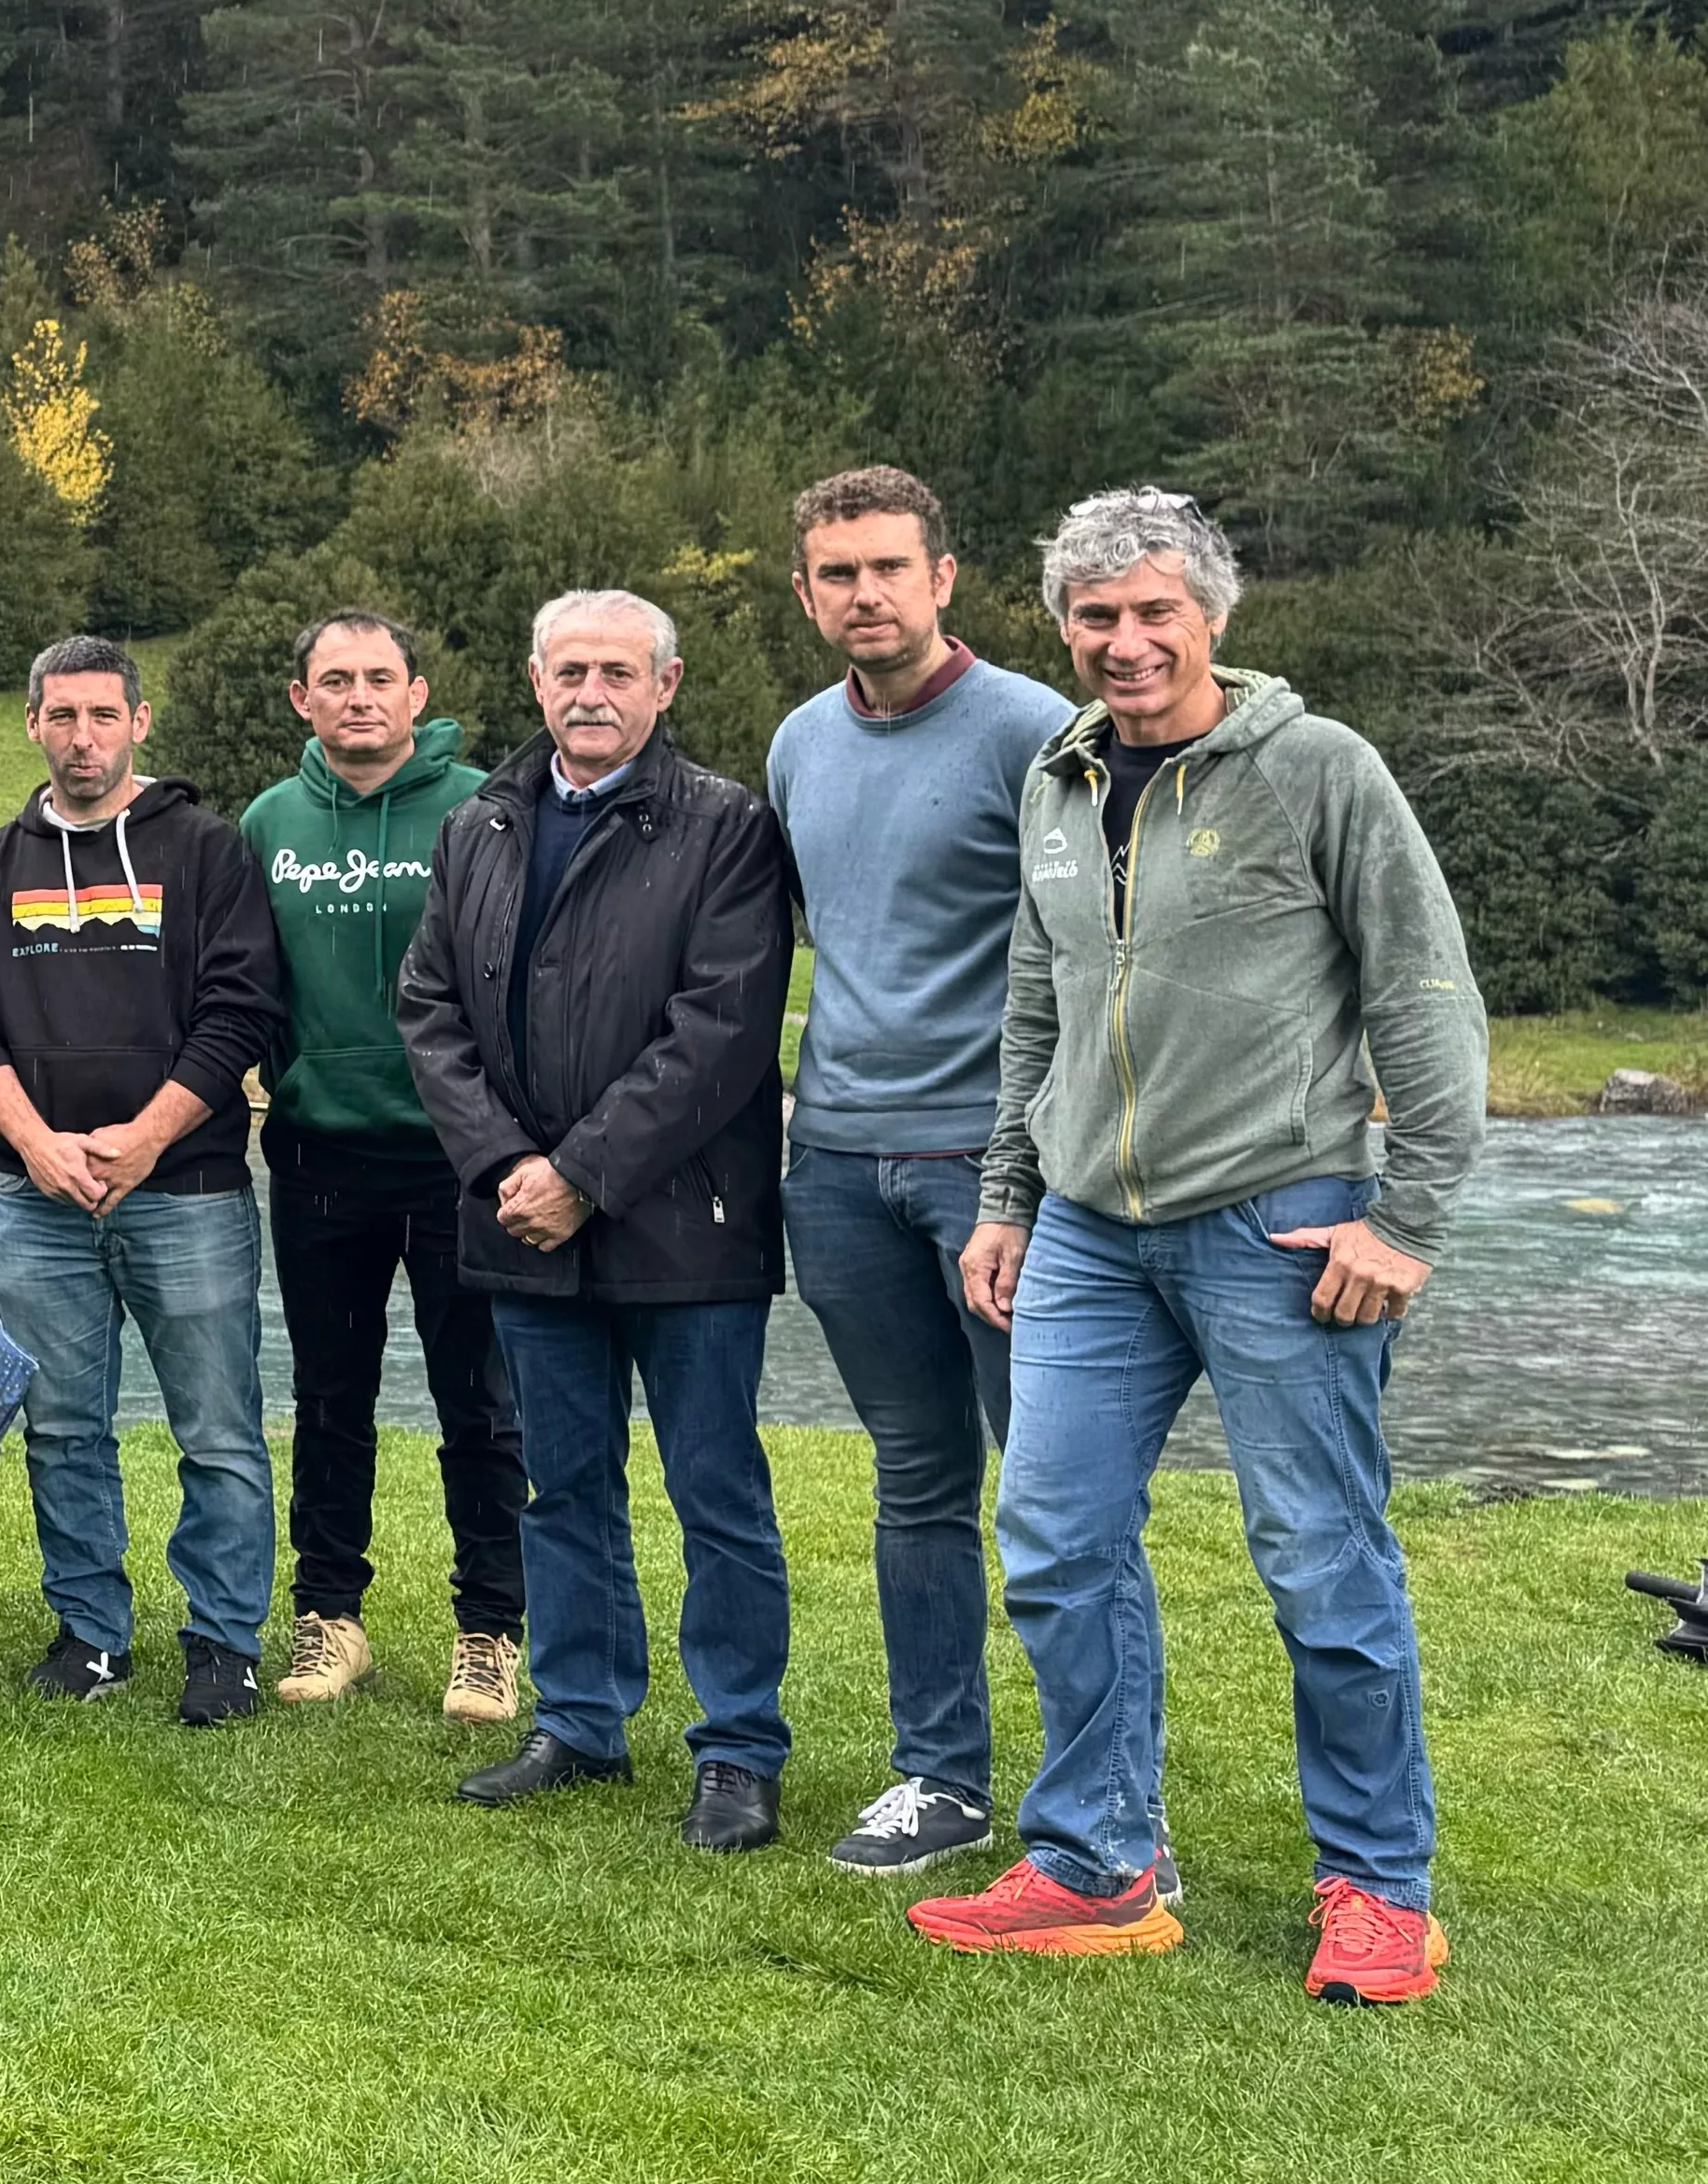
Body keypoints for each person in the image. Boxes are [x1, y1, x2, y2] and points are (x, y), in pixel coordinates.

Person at [912, 489, 1485, 2007]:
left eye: (1154, 610)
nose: (1126, 640)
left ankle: (1378, 1887)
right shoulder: (1057, 779)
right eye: (1096, 616)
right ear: (1064, 627)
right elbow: (1034, 1006)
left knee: (1318, 1555)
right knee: (1051, 1538)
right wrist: (1004, 1194)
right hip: (1091, 1231)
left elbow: (1423, 992)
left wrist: (1406, 1215)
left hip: (1282, 1219)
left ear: (1211, 616)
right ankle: (1102, 1862)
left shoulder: (1316, 769)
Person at [400, 591, 798, 1853]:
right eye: (569, 667)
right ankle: (578, 1717)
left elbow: (721, 1029)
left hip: (689, 1222)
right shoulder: (477, 824)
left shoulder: (726, 826)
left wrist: (581, 1170)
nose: (591, 690)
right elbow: (427, 1008)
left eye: (617, 670)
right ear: (533, 679)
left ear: (664, 686)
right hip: (520, 1225)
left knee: (713, 1488)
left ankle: (736, 1747)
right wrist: (506, 1164)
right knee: (561, 1483)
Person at [770, 466, 1073, 1878]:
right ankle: (940, 1776)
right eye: (837, 573)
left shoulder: (1030, 729)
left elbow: (1084, 954)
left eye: (889, 567)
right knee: (914, 1477)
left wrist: (1024, 1169)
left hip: (987, 1166)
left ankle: (1102, 1804)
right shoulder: (795, 745)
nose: (865, 594)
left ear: (944, 576)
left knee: (1055, 1489)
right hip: (833, 1157)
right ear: (804, 590)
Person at [0, 638, 288, 1721]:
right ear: (30, 723)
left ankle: (223, 1642)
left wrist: (144, 1135)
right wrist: (31, 1143)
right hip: (36, 1197)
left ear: (140, 720)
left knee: (217, 1425)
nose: (81, 736)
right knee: (59, 1423)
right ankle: (91, 1630)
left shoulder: (207, 849)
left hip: (184, 1188)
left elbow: (243, 1010)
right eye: (61, 715)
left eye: (102, 714)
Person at [238, 611, 515, 1720]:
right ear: (302, 697)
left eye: (380, 678)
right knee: (329, 1393)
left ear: (418, 691)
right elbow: (246, 983)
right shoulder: (267, 820)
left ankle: (489, 1628)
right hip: (318, 1149)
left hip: (463, 1157)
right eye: (335, 679)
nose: (360, 696)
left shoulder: (485, 806)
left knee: (479, 1403)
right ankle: (328, 1614)